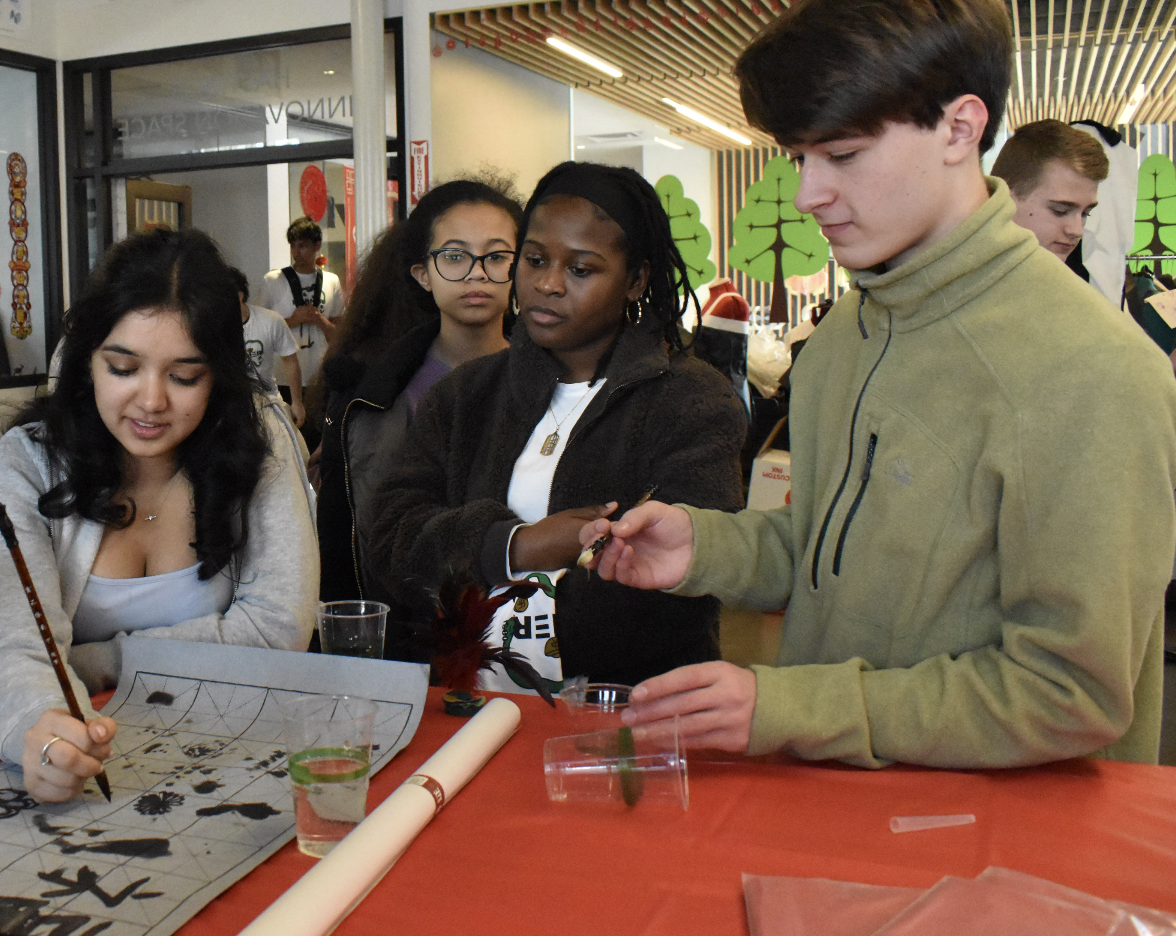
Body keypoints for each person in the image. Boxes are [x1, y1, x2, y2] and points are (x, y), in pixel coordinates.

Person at [583, 0, 1176, 768]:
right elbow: (840, 548)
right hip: (839, 821)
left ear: (960, 129)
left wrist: (795, 705)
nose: (807, 195)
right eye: (799, 158)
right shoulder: (844, 338)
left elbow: (1071, 693)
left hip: (993, 857)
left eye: (845, 154)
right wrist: (707, 546)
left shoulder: (1092, 371)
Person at [368, 162, 746, 685]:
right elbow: (391, 539)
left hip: (628, 717)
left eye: (581, 270)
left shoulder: (691, 401)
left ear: (635, 280)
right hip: (465, 712)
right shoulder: (464, 396)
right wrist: (515, 545)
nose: (547, 284)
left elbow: (680, 581)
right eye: (535, 259)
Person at [0, 229, 318, 802]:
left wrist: (99, 659)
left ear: (219, 377)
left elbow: (279, 627)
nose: (151, 402)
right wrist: (39, 729)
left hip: (229, 751)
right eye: (123, 368)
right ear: (86, 362)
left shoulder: (259, 441)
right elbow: (14, 647)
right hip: (91, 764)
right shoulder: (28, 462)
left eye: (184, 376)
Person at [317, 177, 522, 623]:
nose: (476, 272)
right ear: (422, 274)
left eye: (497, 256)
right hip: (409, 630)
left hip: (527, 621)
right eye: (454, 255)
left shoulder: (555, 382)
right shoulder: (373, 396)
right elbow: (345, 539)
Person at [256, 216, 343, 447]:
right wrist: (293, 320)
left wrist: (320, 321)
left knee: (317, 440)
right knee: (286, 442)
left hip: (318, 375)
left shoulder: (331, 281)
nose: (297, 251)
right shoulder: (273, 280)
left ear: (317, 246)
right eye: (293, 245)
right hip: (282, 376)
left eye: (303, 245)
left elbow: (339, 334)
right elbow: (258, 327)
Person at [990, 118, 1109, 261]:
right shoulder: (961, 275)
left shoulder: (1063, 281)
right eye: (1060, 211)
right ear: (1004, 199)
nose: (1077, 231)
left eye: (1085, 214)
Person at [229, 267, 305, 427]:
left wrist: (296, 402)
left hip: (268, 402)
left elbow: (290, 360)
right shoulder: (212, 326)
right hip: (231, 406)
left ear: (240, 295)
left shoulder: (270, 320)